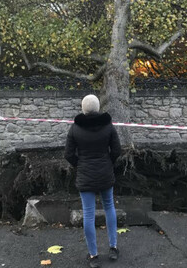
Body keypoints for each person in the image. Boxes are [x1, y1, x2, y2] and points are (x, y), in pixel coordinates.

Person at [64, 94, 122, 268]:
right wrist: (108, 162)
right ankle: (113, 247)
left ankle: (93, 255)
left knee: (88, 214)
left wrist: (80, 165)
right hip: (105, 173)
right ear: (98, 108)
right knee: (109, 207)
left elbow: (68, 154)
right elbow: (117, 150)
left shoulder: (75, 129)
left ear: (83, 108)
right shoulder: (108, 126)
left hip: (85, 175)